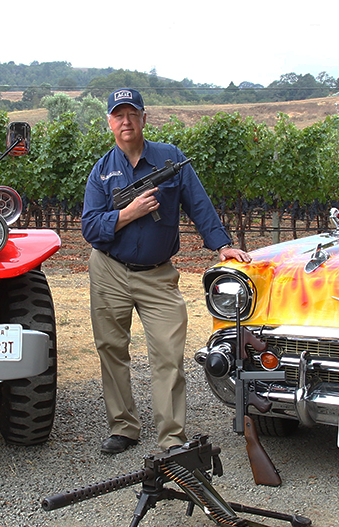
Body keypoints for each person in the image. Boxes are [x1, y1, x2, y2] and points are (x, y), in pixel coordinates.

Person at [82, 88, 250, 454]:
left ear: (144, 118)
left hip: (158, 274)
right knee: (111, 349)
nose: (125, 121)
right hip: (109, 270)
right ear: (110, 122)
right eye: (118, 115)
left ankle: (172, 438)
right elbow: (90, 228)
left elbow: (199, 204)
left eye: (132, 114)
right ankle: (123, 427)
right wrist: (130, 213)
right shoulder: (102, 171)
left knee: (169, 354)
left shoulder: (170, 159)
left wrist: (222, 246)